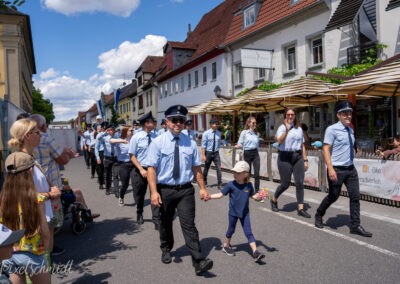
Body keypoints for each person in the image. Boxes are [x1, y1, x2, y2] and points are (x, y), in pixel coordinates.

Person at [146, 104, 213, 276]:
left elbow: (196, 169)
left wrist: (203, 188)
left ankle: (198, 261)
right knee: (165, 223)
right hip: (164, 190)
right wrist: (153, 192)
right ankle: (166, 248)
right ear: (167, 121)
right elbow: (151, 169)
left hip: (185, 190)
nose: (178, 123)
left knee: (189, 225)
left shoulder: (190, 143)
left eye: (181, 120)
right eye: (174, 120)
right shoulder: (157, 142)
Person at [315, 101, 372, 237]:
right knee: (334, 196)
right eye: (345, 113)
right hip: (337, 169)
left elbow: (349, 145)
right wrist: (330, 169)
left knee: (355, 197)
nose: (348, 115)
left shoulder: (351, 129)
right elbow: (326, 149)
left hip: (350, 169)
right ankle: (319, 214)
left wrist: (356, 149)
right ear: (338, 115)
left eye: (350, 113)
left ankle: (355, 225)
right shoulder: (331, 129)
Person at [30, 114, 78, 256]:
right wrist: (68, 154)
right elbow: (62, 160)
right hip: (50, 185)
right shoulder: (45, 138)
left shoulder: (22, 142)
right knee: (51, 220)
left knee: (38, 218)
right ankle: (48, 251)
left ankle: (41, 248)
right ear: (43, 126)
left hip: (33, 185)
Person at [0, 152, 51, 283]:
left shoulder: (3, 200)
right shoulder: (37, 199)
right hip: (34, 255)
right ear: (29, 171)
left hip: (9, 254)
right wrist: (47, 249)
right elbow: (45, 231)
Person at [209, 161, 265, 263]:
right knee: (231, 230)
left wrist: (259, 196)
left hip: (245, 213)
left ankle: (255, 252)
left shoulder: (249, 185)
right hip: (233, 213)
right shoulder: (231, 185)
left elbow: (253, 196)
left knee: (248, 232)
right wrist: (210, 196)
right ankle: (225, 246)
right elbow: (220, 194)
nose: (235, 174)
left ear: (245, 174)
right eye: (234, 172)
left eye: (238, 173)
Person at [270, 108, 311, 218]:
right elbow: (279, 141)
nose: (290, 116)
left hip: (297, 157)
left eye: (292, 114)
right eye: (288, 114)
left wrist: (305, 160)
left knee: (300, 182)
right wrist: (287, 130)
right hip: (285, 157)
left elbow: (302, 145)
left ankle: (301, 208)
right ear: (285, 116)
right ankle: (274, 200)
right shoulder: (281, 128)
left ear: (295, 116)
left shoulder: (299, 129)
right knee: (285, 183)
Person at [129, 111, 160, 228]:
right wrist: (141, 169)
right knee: (140, 194)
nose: (154, 123)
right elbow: (132, 155)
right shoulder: (136, 137)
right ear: (146, 124)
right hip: (140, 170)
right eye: (152, 122)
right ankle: (139, 212)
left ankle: (156, 218)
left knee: (154, 192)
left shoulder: (157, 137)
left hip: (153, 170)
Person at [235, 116, 261, 193]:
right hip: (247, 153)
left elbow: (257, 145)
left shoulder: (257, 133)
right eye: (253, 123)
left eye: (255, 123)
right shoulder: (244, 133)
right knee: (247, 173)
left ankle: (257, 191)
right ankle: (247, 189)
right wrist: (238, 145)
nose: (255, 124)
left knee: (257, 173)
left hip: (255, 153)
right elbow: (240, 142)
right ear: (249, 123)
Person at [111, 126, 132, 206]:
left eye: (132, 130)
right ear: (125, 131)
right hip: (123, 165)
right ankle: (121, 196)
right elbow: (111, 140)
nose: (132, 131)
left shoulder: (134, 139)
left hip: (133, 164)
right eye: (130, 130)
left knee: (136, 184)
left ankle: (138, 201)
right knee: (125, 185)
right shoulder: (119, 140)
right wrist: (122, 140)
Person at [201, 117, 223, 189]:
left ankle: (219, 183)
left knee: (219, 168)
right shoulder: (206, 133)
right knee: (206, 168)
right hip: (208, 152)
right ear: (211, 125)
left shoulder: (219, 133)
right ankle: (204, 180)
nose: (216, 125)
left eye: (217, 124)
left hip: (216, 153)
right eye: (214, 123)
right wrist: (203, 155)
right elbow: (203, 145)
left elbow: (219, 142)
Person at [96, 125, 117, 195]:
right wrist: (105, 132)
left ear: (114, 131)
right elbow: (98, 137)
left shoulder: (117, 137)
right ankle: (108, 188)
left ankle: (116, 189)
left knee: (115, 175)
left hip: (115, 158)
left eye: (112, 130)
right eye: (109, 130)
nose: (111, 131)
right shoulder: (105, 138)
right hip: (107, 158)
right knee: (108, 175)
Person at [94, 124, 105, 190]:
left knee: (106, 170)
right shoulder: (98, 135)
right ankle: (101, 183)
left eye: (102, 127)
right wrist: (98, 157)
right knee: (100, 169)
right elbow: (96, 148)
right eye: (100, 127)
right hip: (100, 153)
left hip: (106, 153)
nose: (102, 128)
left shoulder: (106, 134)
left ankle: (104, 181)